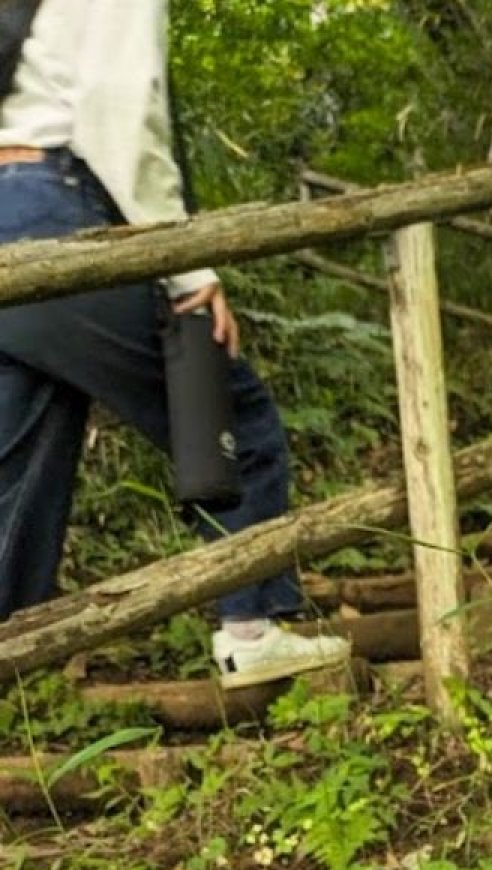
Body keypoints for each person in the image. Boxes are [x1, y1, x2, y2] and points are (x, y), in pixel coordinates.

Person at [0, 0, 351, 688]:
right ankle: (251, 629)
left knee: (17, 465)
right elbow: (120, 109)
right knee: (231, 417)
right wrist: (187, 265)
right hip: (57, 205)